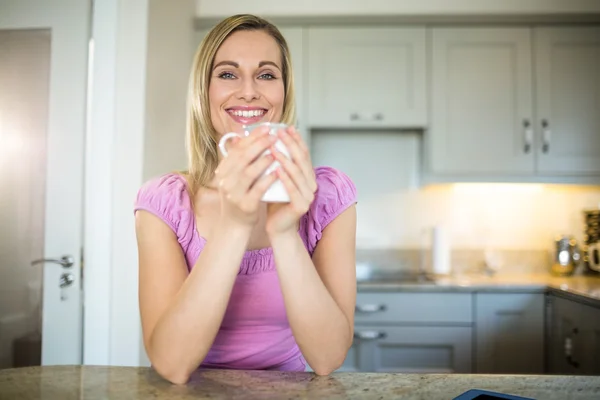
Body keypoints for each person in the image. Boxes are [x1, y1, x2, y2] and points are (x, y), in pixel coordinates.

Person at [133, 14, 357, 384]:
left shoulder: (328, 197)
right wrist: (235, 225)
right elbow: (172, 364)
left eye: (267, 74)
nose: (249, 91)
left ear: (285, 91)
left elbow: (327, 358)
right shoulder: (164, 202)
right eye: (227, 73)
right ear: (203, 91)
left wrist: (284, 232)